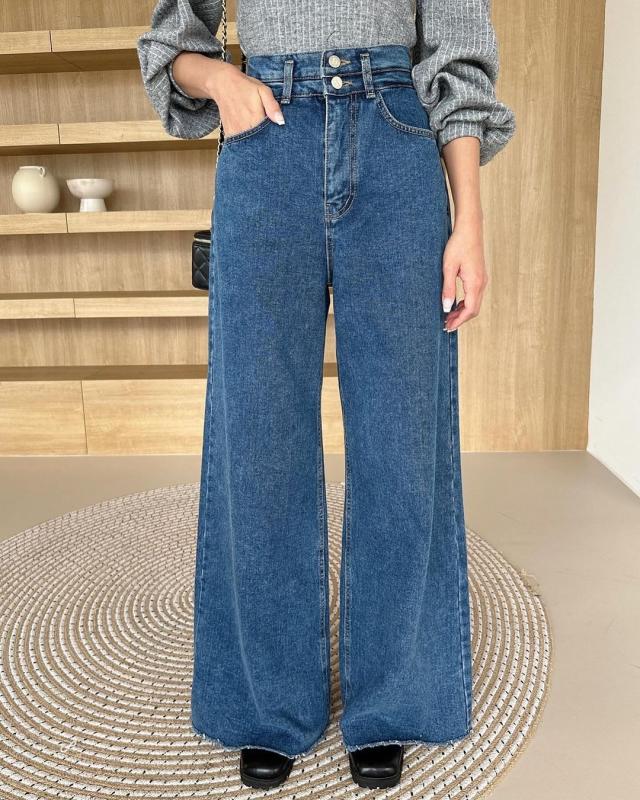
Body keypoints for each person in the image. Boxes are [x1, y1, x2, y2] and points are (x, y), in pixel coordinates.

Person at [137, 0, 515, 790]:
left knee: (402, 441)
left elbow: (456, 49)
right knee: (258, 439)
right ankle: (266, 703)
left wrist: (470, 221)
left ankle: (395, 697)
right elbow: (174, 40)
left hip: (397, 142)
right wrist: (222, 81)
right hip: (265, 142)